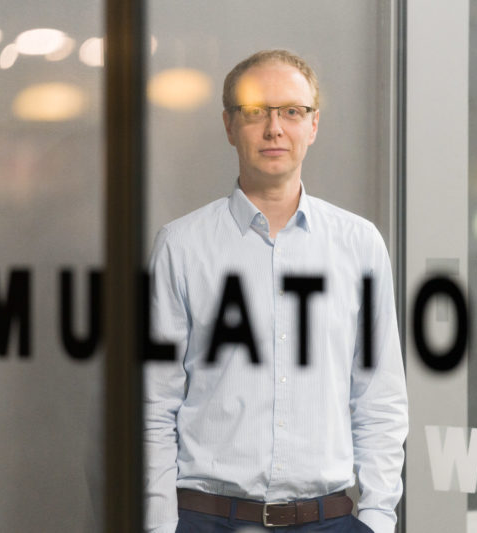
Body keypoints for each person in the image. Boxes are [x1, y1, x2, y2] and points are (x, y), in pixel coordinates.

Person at [144, 49, 408, 533]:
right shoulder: (181, 246)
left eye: (291, 111)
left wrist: (376, 520)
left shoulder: (359, 244)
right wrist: (161, 525)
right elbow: (152, 404)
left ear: (313, 125)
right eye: (255, 112)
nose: (274, 128)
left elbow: (379, 398)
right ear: (229, 126)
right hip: (207, 520)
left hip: (330, 521)